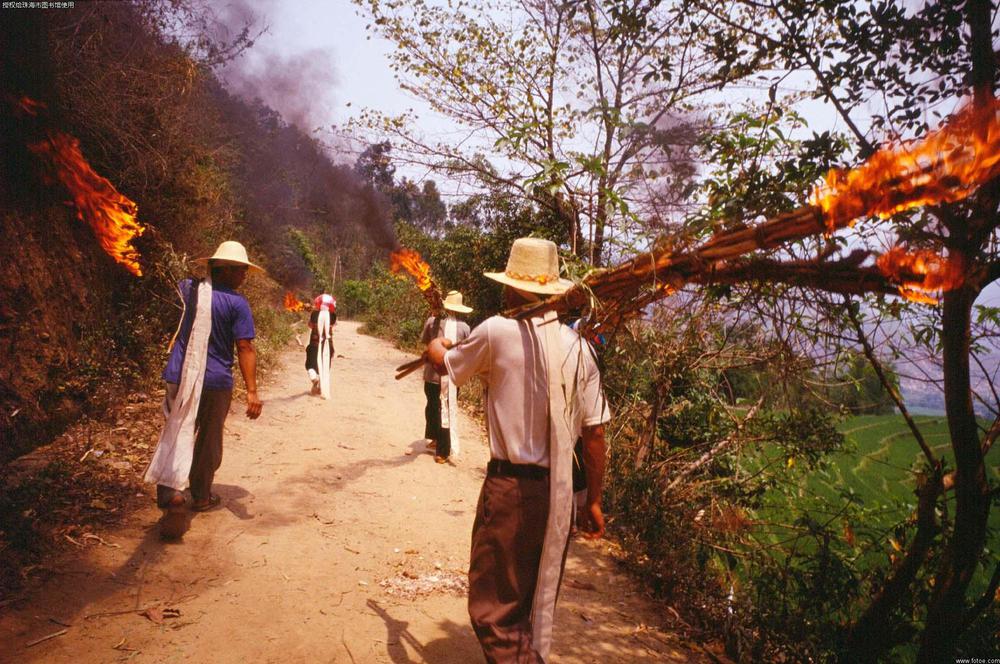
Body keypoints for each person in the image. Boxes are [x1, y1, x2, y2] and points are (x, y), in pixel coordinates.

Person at [427, 238, 610, 662]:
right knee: (529, 596)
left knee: (494, 609)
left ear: (512, 288)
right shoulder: (579, 349)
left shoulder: (495, 331)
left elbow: (445, 366)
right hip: (560, 495)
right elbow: (595, 434)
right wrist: (594, 500)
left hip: (511, 489)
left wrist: (438, 347)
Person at [144, 240, 264, 520]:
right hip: (215, 381)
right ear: (223, 270)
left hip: (179, 375)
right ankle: (200, 496)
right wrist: (252, 391)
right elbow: (244, 347)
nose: (244, 276)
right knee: (209, 440)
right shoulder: (237, 303)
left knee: (176, 428)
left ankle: (171, 493)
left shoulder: (189, 289)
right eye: (239, 270)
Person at [420, 290, 472, 463]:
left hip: (436, 374)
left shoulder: (432, 322)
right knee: (444, 409)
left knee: (435, 406)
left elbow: (425, 342)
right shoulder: (464, 328)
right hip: (451, 374)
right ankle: (439, 443)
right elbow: (466, 351)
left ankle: (442, 448)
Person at [307, 293, 336, 398]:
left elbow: (310, 325)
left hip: (314, 343)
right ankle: (321, 386)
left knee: (310, 364)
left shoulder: (314, 314)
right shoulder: (333, 315)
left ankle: (314, 377)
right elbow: (332, 326)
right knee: (325, 366)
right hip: (327, 345)